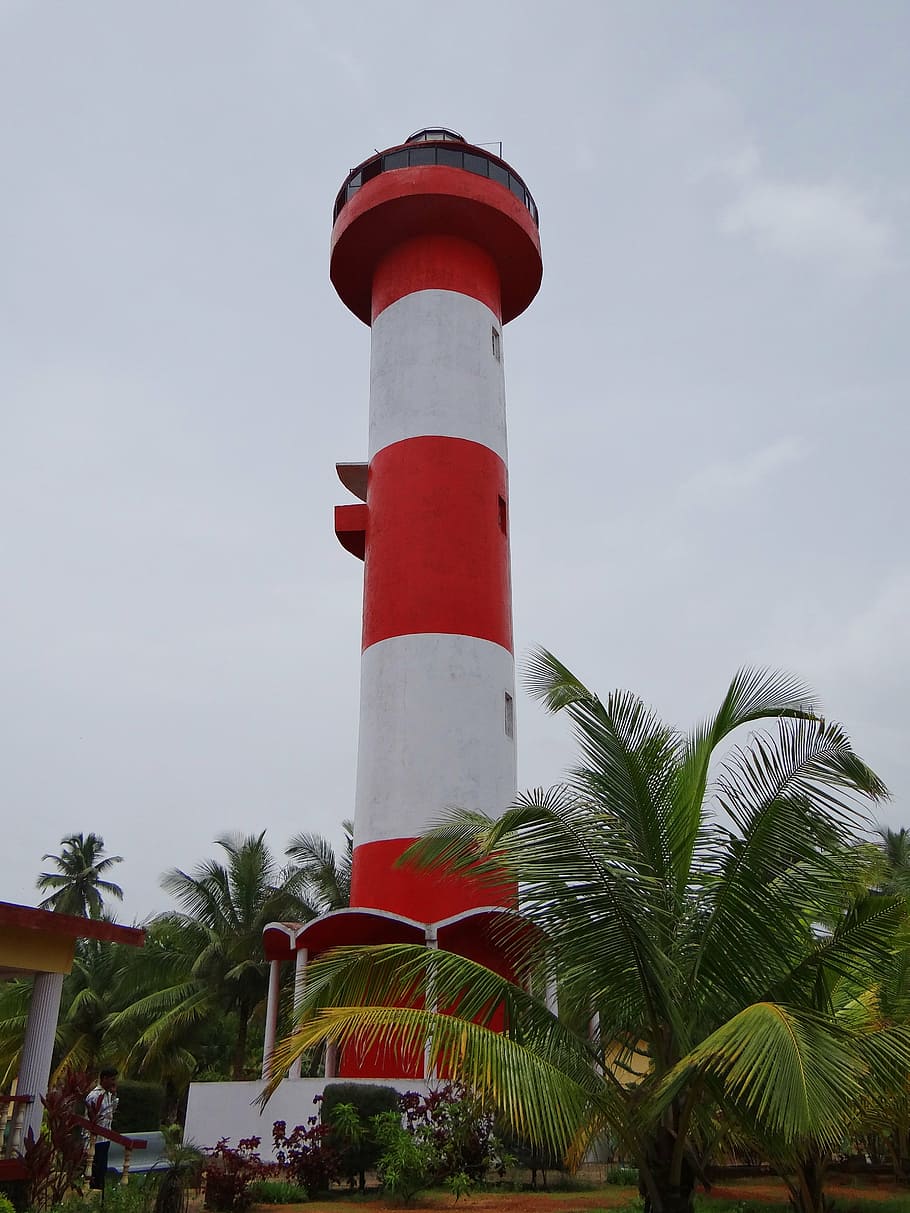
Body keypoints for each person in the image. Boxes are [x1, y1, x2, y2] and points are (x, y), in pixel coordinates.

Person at [85, 1067, 119, 1190]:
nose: (114, 1082)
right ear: (104, 1079)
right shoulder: (94, 1095)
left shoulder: (108, 1095)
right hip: (95, 1139)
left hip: (105, 1138)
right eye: (112, 1079)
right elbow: (93, 1117)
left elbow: (111, 1112)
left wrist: (114, 1095)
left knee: (101, 1170)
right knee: (95, 1170)